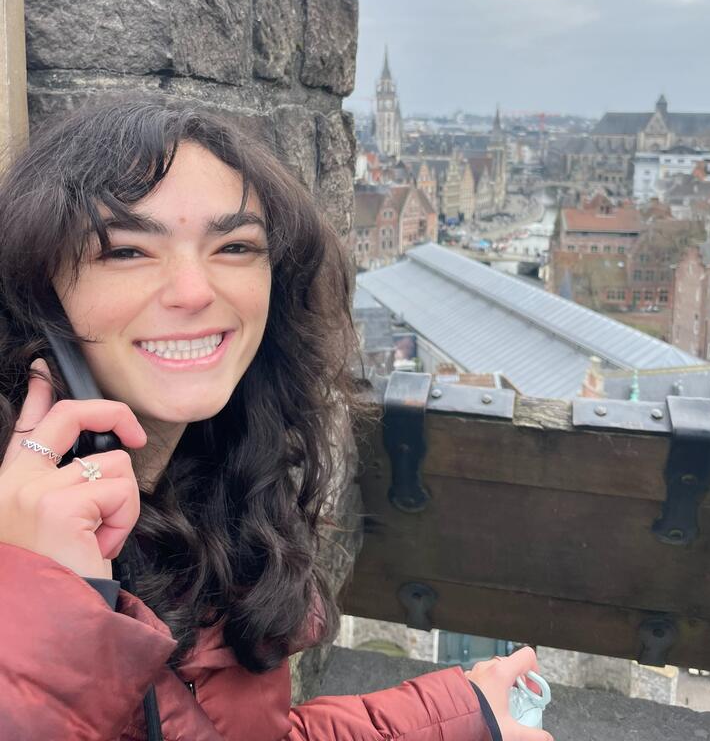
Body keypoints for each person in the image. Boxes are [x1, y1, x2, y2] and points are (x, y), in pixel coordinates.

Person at [0, 97, 552, 741]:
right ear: (40, 292)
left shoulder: (219, 475)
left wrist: (461, 715)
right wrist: (39, 596)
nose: (194, 291)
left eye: (234, 246)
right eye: (125, 251)